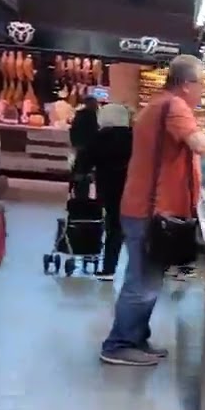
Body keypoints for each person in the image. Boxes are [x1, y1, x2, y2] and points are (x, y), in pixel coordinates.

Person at [100, 54, 205, 366]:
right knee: (143, 281)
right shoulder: (174, 106)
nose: (203, 91)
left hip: (145, 206)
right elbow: (199, 144)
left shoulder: (161, 104)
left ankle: (135, 338)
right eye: (202, 84)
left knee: (147, 278)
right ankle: (119, 344)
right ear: (187, 83)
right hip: (150, 209)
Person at [77, 102, 132, 280]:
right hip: (133, 189)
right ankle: (138, 270)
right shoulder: (134, 137)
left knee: (112, 226)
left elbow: (83, 163)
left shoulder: (100, 137)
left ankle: (108, 268)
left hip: (108, 188)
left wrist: (80, 175)